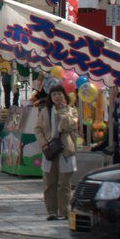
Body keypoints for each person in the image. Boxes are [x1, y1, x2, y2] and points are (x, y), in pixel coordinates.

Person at [34, 84, 78, 220]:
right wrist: (43, 143)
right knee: (50, 183)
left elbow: (70, 125)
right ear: (50, 97)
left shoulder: (71, 111)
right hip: (50, 149)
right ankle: (51, 211)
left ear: (65, 96)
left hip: (65, 150)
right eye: (54, 95)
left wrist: (63, 114)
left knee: (64, 184)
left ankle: (64, 212)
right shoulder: (45, 112)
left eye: (59, 94)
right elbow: (38, 129)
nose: (57, 97)